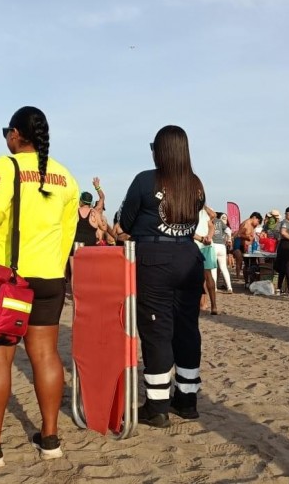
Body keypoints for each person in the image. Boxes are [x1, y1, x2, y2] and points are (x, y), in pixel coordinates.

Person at [0, 106, 79, 468]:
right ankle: (50, 438)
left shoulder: (5, 165)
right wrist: (55, 266)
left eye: (8, 131)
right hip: (50, 276)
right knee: (46, 356)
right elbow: (68, 231)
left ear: (15, 135)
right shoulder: (65, 176)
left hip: (7, 279)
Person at [118, 125, 205, 428]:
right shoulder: (195, 184)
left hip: (155, 259)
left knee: (156, 331)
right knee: (187, 328)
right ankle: (188, 398)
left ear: (160, 150)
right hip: (188, 257)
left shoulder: (145, 180)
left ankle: (157, 406)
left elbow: (125, 221)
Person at [211, 212, 233, 293]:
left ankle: (215, 287)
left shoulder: (208, 221)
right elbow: (228, 230)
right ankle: (229, 287)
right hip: (222, 246)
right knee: (224, 268)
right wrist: (229, 239)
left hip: (213, 245)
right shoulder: (219, 221)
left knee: (213, 267)